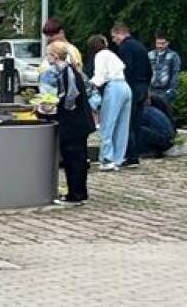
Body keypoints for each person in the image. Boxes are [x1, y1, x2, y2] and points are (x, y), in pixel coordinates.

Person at [46, 41, 94, 205]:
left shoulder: (67, 72)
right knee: (77, 158)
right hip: (79, 122)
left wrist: (56, 105)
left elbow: (71, 96)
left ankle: (76, 194)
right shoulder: (68, 70)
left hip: (74, 123)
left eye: (48, 54)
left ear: (54, 56)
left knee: (74, 158)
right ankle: (79, 192)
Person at [87, 34, 131, 172]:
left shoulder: (100, 55)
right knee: (122, 125)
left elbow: (100, 76)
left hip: (114, 88)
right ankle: (118, 158)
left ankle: (107, 158)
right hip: (125, 86)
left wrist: (89, 85)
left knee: (108, 124)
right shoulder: (112, 54)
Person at [110, 23, 152, 167]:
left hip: (131, 86)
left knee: (127, 122)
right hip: (142, 86)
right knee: (137, 123)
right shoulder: (141, 47)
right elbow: (149, 69)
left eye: (114, 37)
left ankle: (129, 154)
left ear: (121, 33)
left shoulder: (125, 48)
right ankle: (136, 154)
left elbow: (126, 68)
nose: (114, 40)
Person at [148, 33, 182, 105]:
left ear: (167, 43)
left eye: (162, 43)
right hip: (151, 90)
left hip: (165, 90)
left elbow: (175, 73)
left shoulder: (173, 56)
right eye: (158, 43)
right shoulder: (150, 54)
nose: (160, 46)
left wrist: (172, 90)